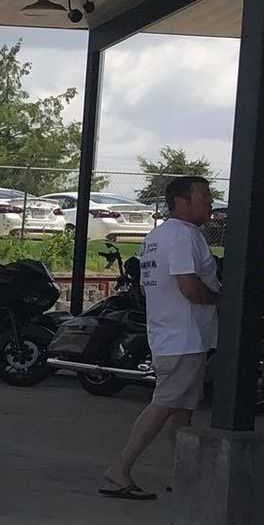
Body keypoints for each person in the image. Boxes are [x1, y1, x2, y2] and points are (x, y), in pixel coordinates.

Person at [101, 174, 221, 500]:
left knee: (182, 408)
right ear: (182, 202)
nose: (210, 202)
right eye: (204, 196)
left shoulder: (156, 237)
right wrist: (218, 298)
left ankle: (181, 474)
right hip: (184, 335)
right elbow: (189, 286)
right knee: (165, 403)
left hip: (169, 332)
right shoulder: (184, 237)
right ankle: (120, 469)